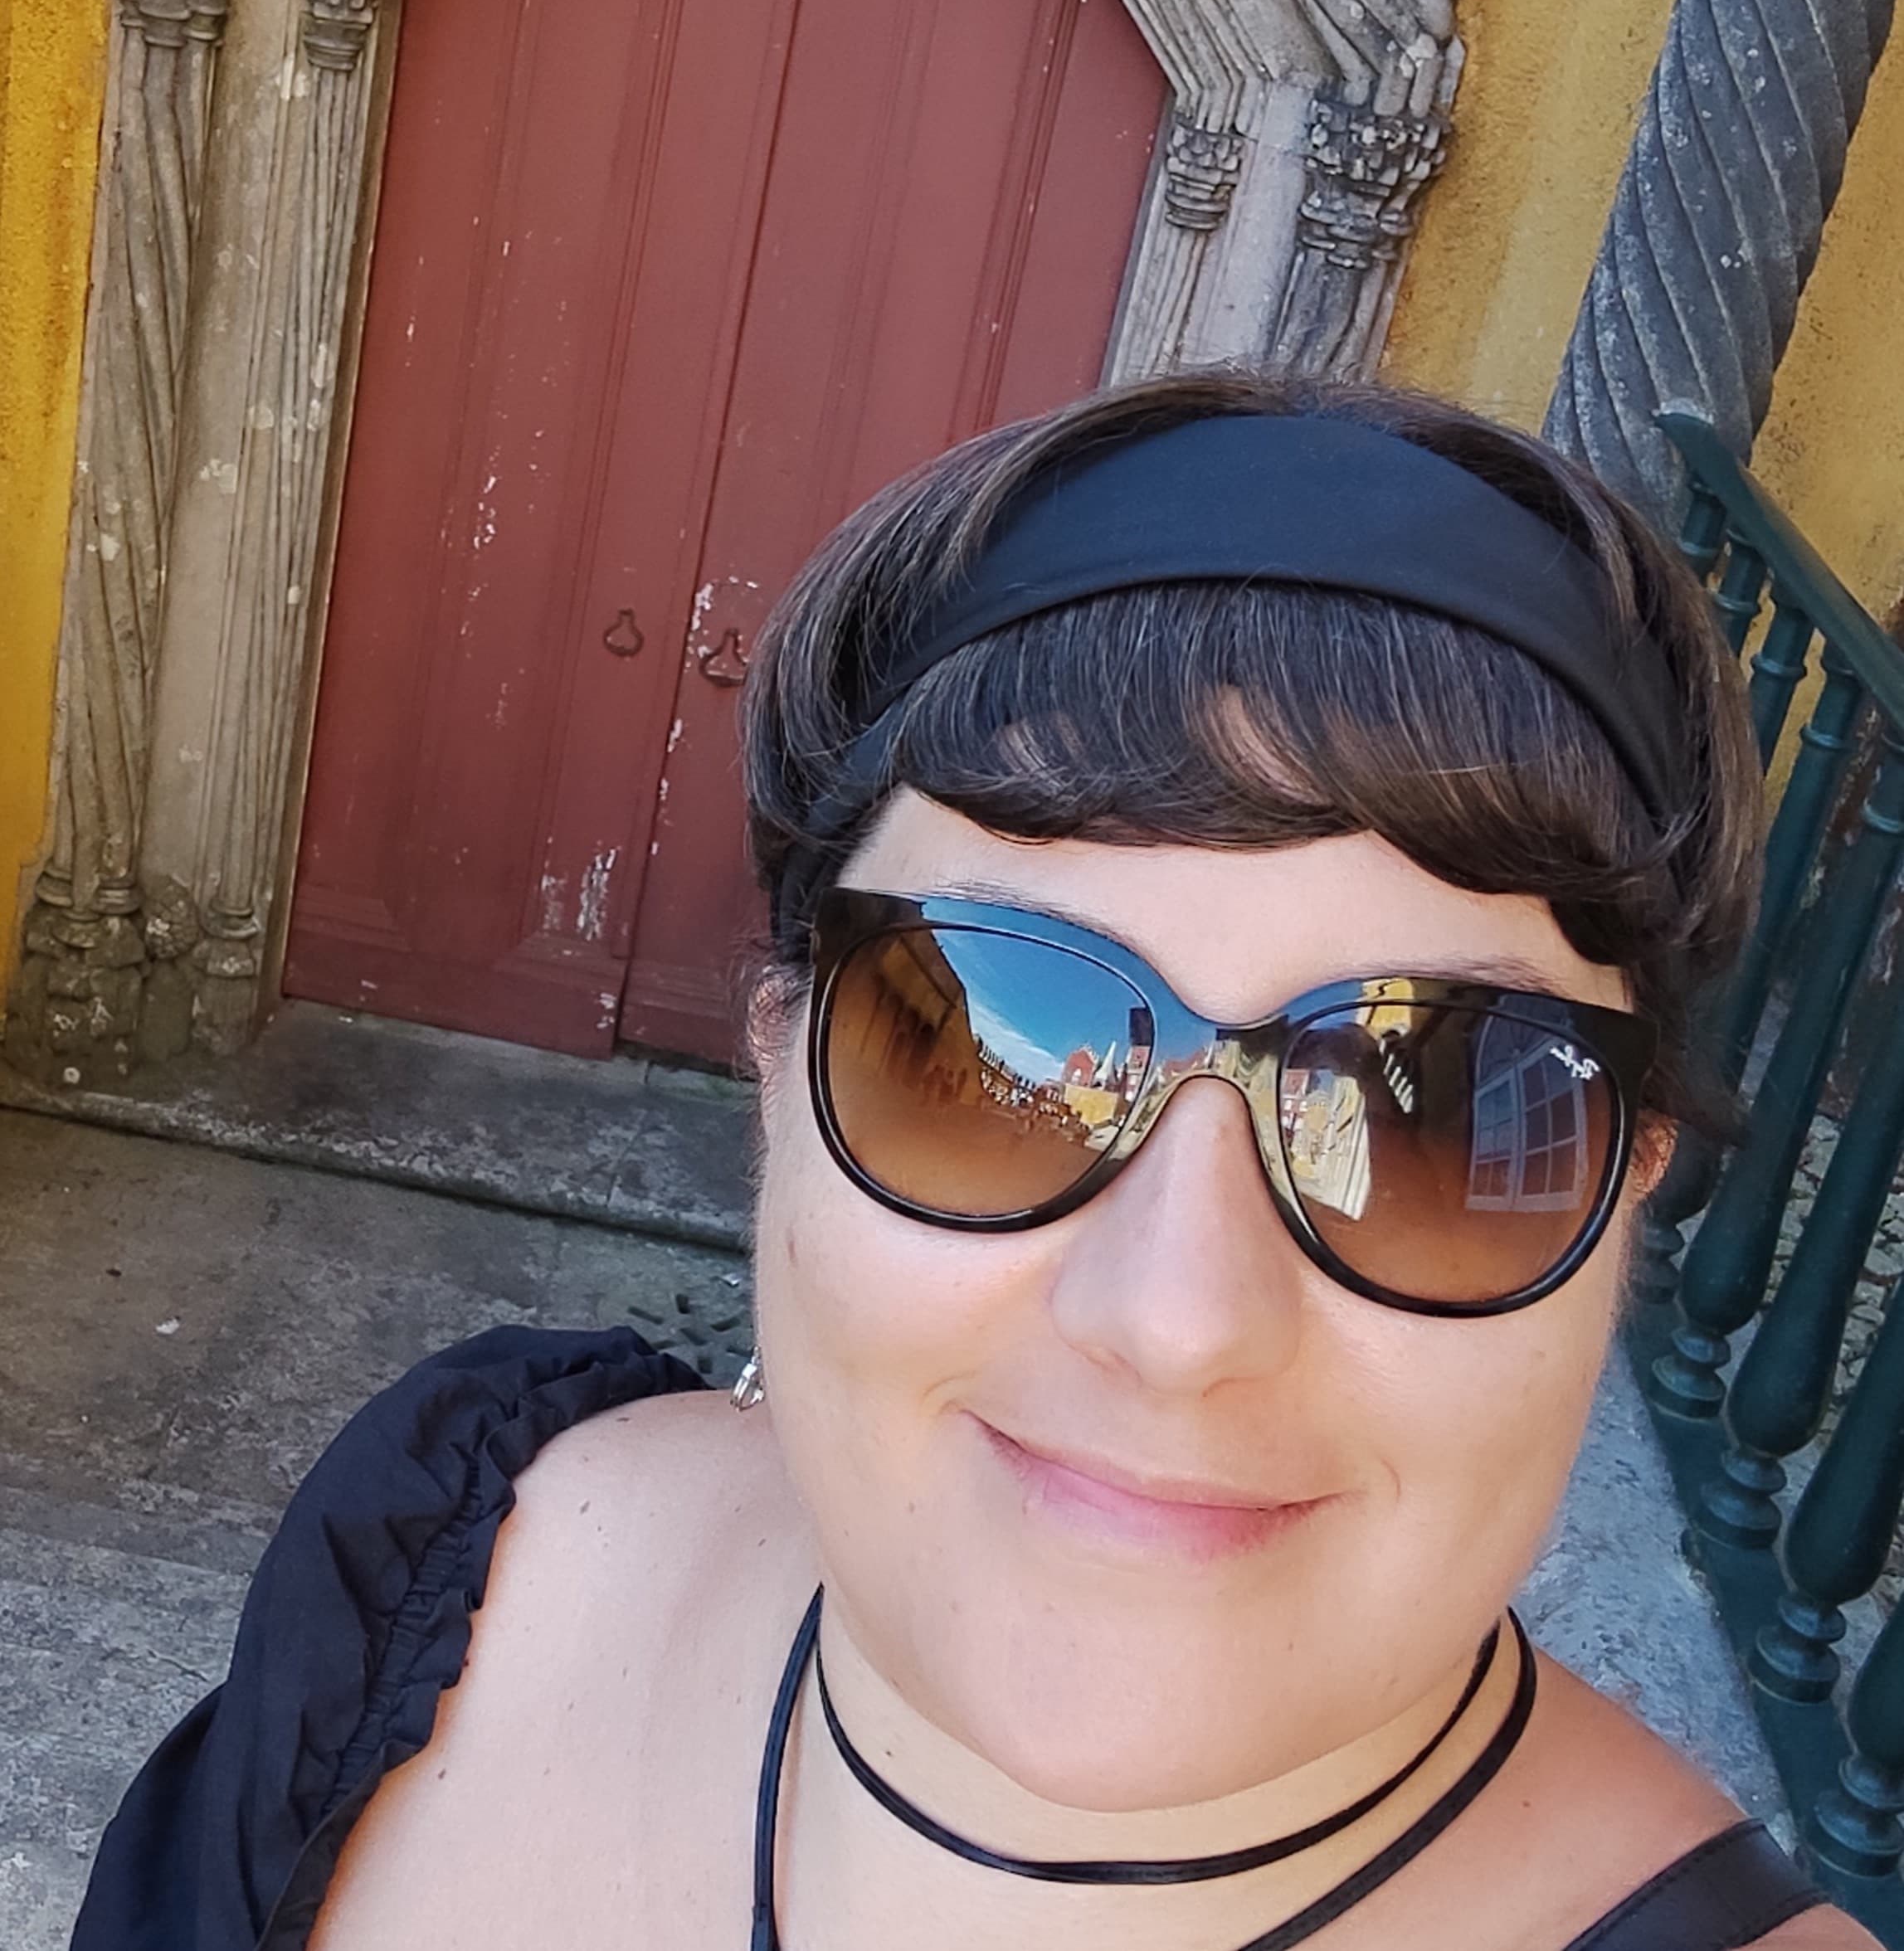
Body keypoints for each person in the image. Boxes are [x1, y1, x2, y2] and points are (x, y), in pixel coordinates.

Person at [75, 370, 1875, 1951]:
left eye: (1427, 1105)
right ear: (779, 1070)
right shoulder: (456, 1551)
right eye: (1006, 1051)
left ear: (1624, 1191)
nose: (1176, 1320)